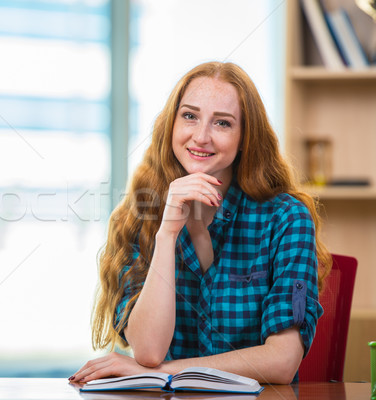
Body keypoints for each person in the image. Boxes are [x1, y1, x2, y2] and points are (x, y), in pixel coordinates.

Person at [70, 62, 331, 385]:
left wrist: (163, 372)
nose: (201, 136)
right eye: (190, 116)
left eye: (222, 123)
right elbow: (149, 351)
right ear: (172, 124)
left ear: (244, 137)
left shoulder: (286, 219)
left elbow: (281, 361)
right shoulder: (139, 215)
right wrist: (167, 233)